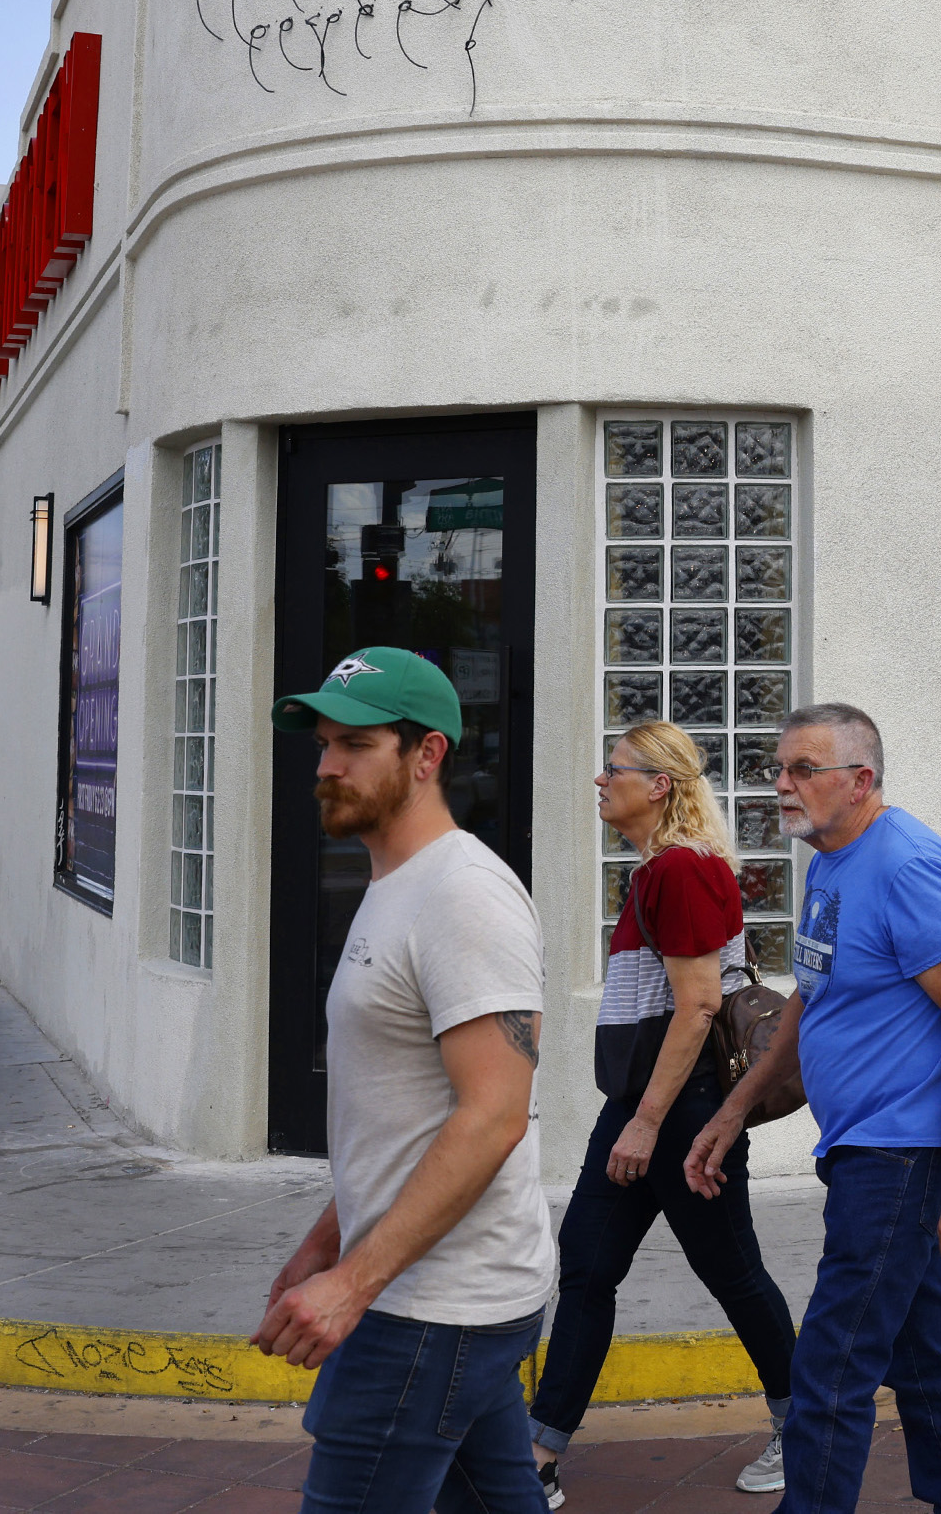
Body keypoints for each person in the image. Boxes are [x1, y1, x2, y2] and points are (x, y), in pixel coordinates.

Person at [686, 703, 941, 1514]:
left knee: (833, 1361)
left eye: (804, 769)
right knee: (921, 1348)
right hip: (861, 1145)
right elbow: (814, 994)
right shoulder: (829, 861)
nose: (782, 785)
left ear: (860, 780)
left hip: (901, 1153)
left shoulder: (908, 865)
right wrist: (736, 1106)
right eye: (779, 767)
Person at [253, 646, 554, 1514]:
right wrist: (330, 1234)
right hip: (444, 1289)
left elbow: (494, 1114)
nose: (326, 765)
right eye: (323, 743)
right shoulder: (397, 884)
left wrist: (353, 1282)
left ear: (427, 756)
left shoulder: (464, 896)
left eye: (355, 744)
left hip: (432, 1305)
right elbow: (406, 1113)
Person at [527, 722, 799, 1506]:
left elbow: (699, 1005)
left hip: (678, 1112)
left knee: (731, 1269)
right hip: (647, 1105)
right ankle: (540, 1454)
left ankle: (802, 1421)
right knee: (585, 1262)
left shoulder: (678, 870)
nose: (600, 780)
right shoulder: (668, 868)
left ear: (660, 785)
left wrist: (645, 1122)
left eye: (613, 769)